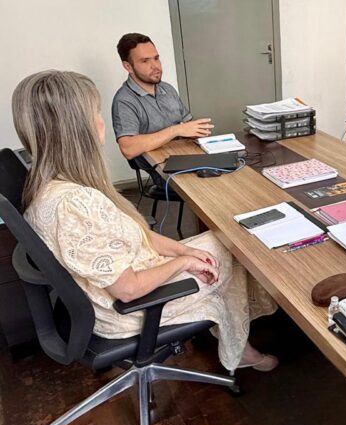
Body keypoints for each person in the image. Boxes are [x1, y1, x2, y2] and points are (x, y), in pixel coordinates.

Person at [14, 70, 278, 373]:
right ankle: (238, 348)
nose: (101, 122)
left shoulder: (51, 184)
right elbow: (127, 290)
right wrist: (183, 262)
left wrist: (183, 251)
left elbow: (136, 234)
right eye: (95, 113)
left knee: (225, 240)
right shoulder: (75, 204)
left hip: (128, 279)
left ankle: (233, 334)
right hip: (129, 310)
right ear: (76, 130)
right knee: (237, 249)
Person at [111, 33, 214, 186]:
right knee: (215, 187)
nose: (155, 66)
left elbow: (188, 124)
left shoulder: (167, 89)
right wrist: (176, 130)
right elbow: (128, 148)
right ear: (128, 67)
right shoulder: (124, 100)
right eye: (145, 61)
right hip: (163, 170)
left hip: (187, 157)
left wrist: (198, 129)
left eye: (156, 58)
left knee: (234, 171)